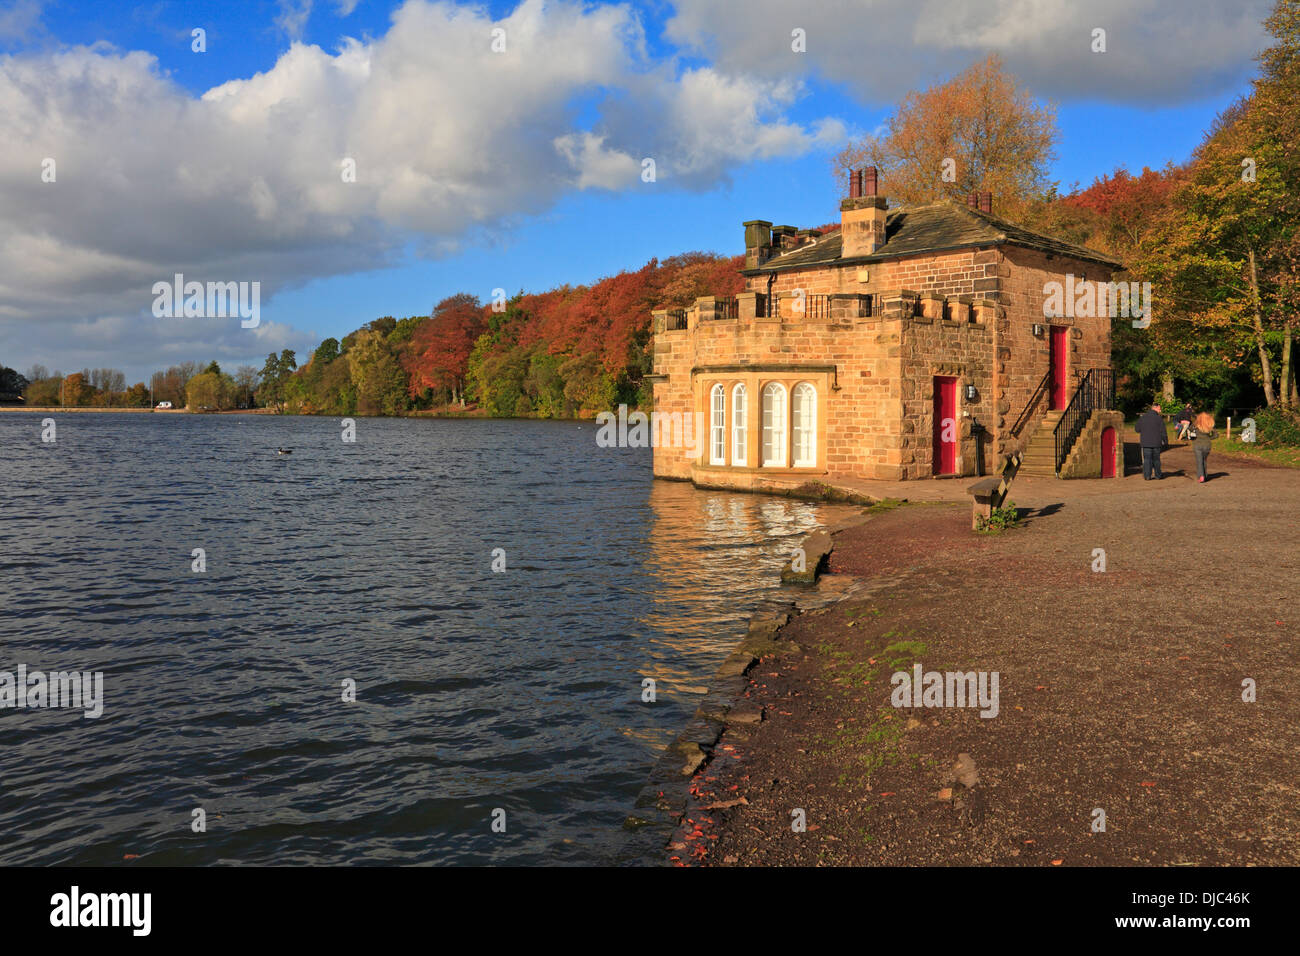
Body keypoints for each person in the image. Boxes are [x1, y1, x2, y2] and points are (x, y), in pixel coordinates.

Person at [1136, 403, 1167, 480]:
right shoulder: (1159, 418)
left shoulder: (1143, 417)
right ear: (1155, 408)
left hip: (1146, 442)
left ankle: (1147, 476)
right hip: (1156, 442)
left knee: (1147, 460)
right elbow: (1163, 431)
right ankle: (1158, 475)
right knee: (1156, 459)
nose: (1160, 410)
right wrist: (1165, 441)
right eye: (1159, 408)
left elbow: (1137, 429)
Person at [1191, 411, 1217, 483]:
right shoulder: (1210, 425)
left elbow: (1190, 432)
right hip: (1207, 444)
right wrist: (1209, 438)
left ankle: (1201, 476)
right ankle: (1205, 475)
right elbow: (1216, 435)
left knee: (1199, 461)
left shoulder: (1195, 424)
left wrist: (1192, 438)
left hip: (1197, 444)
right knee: (1204, 460)